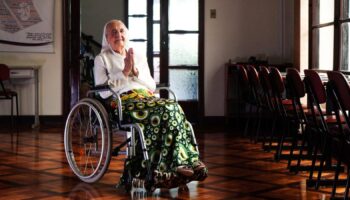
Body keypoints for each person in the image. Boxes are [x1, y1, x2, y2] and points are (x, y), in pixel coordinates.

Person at [94, 19, 207, 190]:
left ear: (127, 34)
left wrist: (136, 72)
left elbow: (152, 85)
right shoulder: (102, 59)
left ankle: (188, 161)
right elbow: (103, 91)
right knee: (163, 110)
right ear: (107, 38)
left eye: (121, 31)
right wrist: (124, 71)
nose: (119, 35)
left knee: (172, 106)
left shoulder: (138, 55)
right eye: (114, 32)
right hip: (124, 102)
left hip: (146, 98)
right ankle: (171, 166)